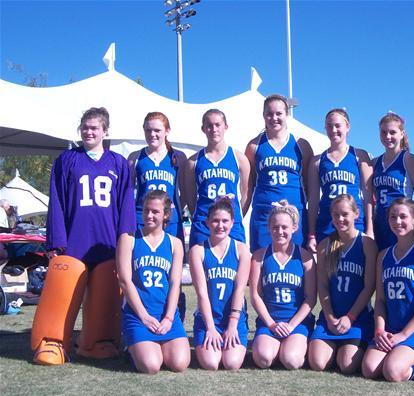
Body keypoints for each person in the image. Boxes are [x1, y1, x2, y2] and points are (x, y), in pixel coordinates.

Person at [31, 107, 136, 365]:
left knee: (104, 298)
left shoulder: (119, 164)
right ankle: (52, 343)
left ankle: (97, 341)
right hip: (75, 241)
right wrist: (56, 241)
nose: (89, 132)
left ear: (105, 131)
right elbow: (56, 201)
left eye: (94, 128)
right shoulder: (67, 160)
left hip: (106, 243)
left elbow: (126, 208)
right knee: (62, 296)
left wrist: (126, 242)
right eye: (85, 127)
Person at [362, 198, 414, 382]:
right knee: (369, 369)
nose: (398, 222)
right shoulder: (383, 256)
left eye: (403, 216)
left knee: (393, 371)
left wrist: (404, 335)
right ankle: (402, 354)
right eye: (393, 217)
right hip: (391, 328)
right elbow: (380, 300)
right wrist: (380, 331)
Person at [117, 190, 190, 374]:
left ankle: (155, 346)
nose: (149, 215)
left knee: (179, 364)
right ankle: (131, 347)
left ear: (165, 214)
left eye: (155, 212)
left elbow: (175, 283)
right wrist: (144, 316)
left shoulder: (175, 243)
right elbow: (125, 281)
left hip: (165, 315)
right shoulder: (129, 239)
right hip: (138, 315)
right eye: (146, 210)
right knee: (151, 366)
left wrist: (169, 317)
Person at [308, 194, 377, 374]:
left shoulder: (367, 244)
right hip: (330, 317)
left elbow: (369, 287)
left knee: (347, 364)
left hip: (357, 319)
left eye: (345, 214)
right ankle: (334, 345)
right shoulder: (325, 245)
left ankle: (347, 347)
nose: (340, 219)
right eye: (336, 215)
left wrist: (350, 317)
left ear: (356, 214)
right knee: (317, 363)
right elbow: (322, 286)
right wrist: (330, 318)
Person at [249, 201, 316, 369]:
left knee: (291, 361)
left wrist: (292, 325)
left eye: (285, 227)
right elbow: (256, 296)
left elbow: (310, 298)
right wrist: (271, 324)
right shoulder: (259, 256)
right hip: (270, 322)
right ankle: (278, 346)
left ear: (294, 228)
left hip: (296, 322)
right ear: (269, 228)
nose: (280, 231)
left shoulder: (305, 257)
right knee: (263, 359)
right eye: (275, 227)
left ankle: (294, 346)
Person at [245, 94, 314, 251]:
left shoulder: (301, 145)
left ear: (286, 114)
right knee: (262, 263)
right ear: (264, 116)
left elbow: (308, 185)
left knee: (296, 264)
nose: (274, 118)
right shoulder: (254, 146)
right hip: (264, 216)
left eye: (278, 113)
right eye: (269, 114)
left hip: (294, 215)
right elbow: (250, 184)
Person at [189, 197, 250, 370]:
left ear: (232, 223)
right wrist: (210, 328)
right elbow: (201, 292)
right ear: (207, 222)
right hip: (208, 319)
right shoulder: (198, 251)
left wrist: (232, 326)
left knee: (231, 363)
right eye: (215, 221)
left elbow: (239, 290)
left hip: (233, 319)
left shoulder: (241, 250)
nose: (220, 225)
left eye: (225, 221)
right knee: (211, 364)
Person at [307, 109, 373, 251]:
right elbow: (313, 201)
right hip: (327, 223)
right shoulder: (317, 161)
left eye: (338, 125)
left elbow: (368, 196)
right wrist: (312, 234)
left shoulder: (360, 156)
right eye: (329, 126)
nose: (333, 130)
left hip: (355, 223)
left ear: (347, 127)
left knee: (355, 268)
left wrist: (370, 229)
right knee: (328, 271)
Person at [187, 109, 249, 246]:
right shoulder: (193, 162)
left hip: (231, 223)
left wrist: (235, 216)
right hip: (203, 223)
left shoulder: (239, 158)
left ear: (225, 127)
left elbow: (246, 194)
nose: (213, 129)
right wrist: (200, 216)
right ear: (203, 129)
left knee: (235, 264)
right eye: (209, 125)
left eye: (217, 124)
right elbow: (190, 198)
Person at [372, 112, 414, 250]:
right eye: (383, 132)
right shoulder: (374, 163)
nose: (388, 137)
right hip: (380, 224)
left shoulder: (409, 159)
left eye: (392, 132)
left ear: (402, 134)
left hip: (402, 224)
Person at [128, 112, 187, 241]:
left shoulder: (178, 157)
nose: (152, 134)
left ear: (167, 131)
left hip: (170, 220)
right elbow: (128, 193)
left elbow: (186, 192)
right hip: (143, 219)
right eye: (148, 130)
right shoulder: (135, 158)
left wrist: (171, 211)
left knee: (172, 259)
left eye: (157, 130)